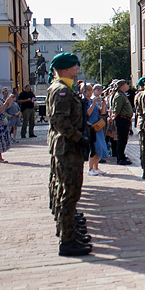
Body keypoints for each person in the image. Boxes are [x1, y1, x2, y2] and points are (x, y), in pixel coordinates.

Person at [47, 53, 92, 256]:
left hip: (66, 146)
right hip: (67, 147)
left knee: (68, 192)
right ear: (65, 69)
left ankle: (69, 233)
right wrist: (78, 137)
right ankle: (68, 240)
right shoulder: (62, 91)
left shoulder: (63, 88)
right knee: (70, 193)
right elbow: (60, 122)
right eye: (74, 66)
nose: (77, 68)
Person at [83, 84, 105, 176]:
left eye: (91, 90)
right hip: (90, 126)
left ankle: (96, 167)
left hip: (98, 126)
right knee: (93, 147)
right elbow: (87, 113)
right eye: (88, 90)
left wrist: (103, 105)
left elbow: (101, 112)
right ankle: (90, 168)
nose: (90, 92)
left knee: (99, 147)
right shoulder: (84, 102)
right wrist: (93, 104)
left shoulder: (92, 100)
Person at [111, 80, 133, 165]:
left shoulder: (122, 95)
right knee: (121, 139)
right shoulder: (119, 96)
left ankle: (122, 155)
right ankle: (120, 158)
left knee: (124, 139)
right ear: (121, 86)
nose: (127, 86)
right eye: (126, 84)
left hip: (125, 119)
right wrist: (114, 117)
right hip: (122, 119)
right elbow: (117, 109)